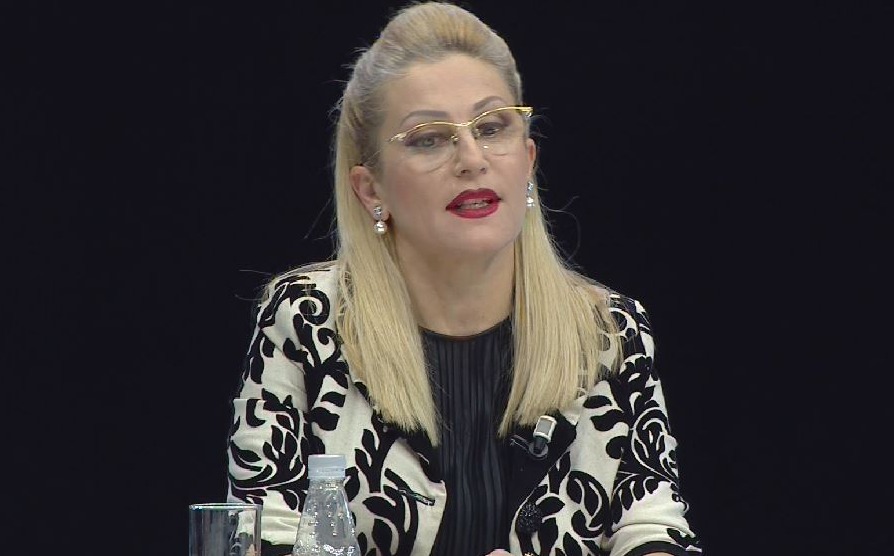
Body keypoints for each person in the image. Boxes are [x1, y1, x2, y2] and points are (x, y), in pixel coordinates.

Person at [226, 2, 702, 555]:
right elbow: (262, 535)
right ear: (370, 189)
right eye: (429, 137)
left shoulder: (610, 331)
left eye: (491, 128)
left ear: (528, 160)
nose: (471, 158)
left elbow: (654, 529)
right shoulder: (307, 319)